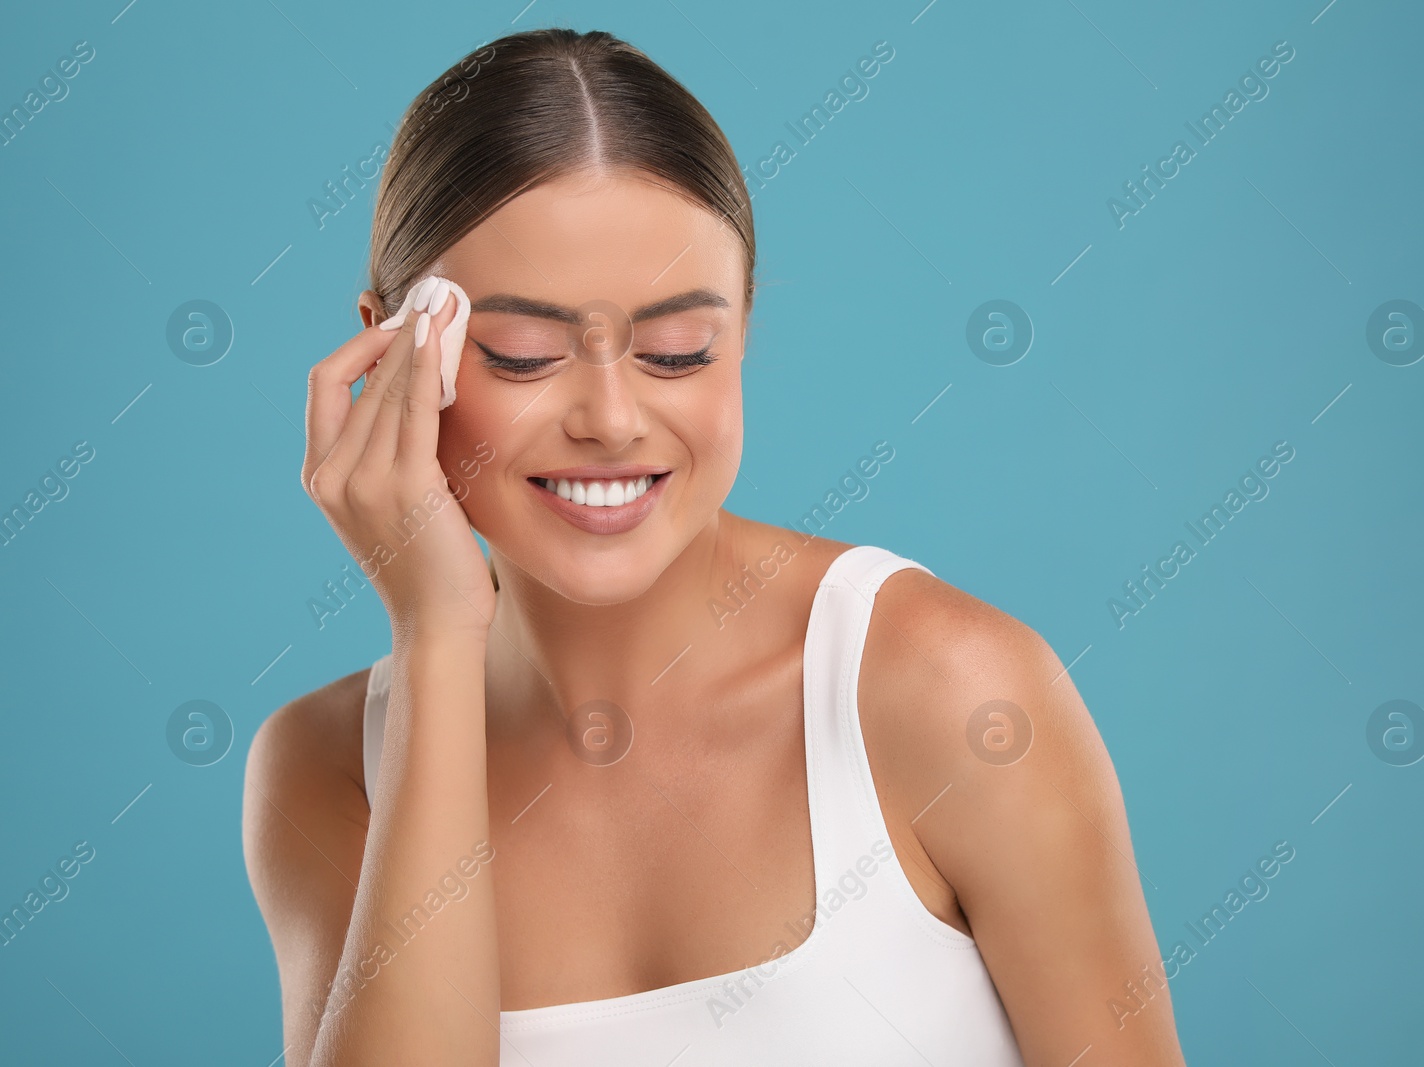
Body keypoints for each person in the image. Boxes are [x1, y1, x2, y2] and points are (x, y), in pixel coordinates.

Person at [242, 26, 1185, 1067]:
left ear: (740, 332)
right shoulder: (326, 769)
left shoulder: (947, 690)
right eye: (523, 356)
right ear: (387, 353)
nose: (610, 416)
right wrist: (433, 637)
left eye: (676, 349)